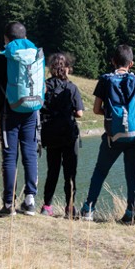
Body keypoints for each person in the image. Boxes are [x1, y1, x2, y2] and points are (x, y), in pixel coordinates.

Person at [81, 45, 135, 223]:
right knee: (132, 174)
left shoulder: (105, 80)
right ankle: (131, 213)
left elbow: (95, 109)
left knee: (100, 171)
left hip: (113, 136)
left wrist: (109, 113)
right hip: (133, 135)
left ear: (113, 61)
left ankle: (88, 209)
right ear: (131, 63)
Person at [0, 22, 43, 216]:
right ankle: (30, 201)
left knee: (10, 157)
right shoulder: (35, 56)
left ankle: (8, 204)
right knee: (29, 154)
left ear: (6, 39)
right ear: (25, 38)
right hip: (31, 111)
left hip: (8, 112)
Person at [41, 52, 84, 218]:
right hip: (68, 135)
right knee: (70, 173)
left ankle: (47, 206)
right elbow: (79, 113)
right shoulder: (72, 88)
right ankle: (70, 207)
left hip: (50, 134)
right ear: (67, 68)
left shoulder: (45, 86)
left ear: (52, 68)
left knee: (52, 171)